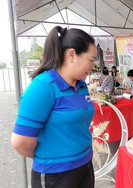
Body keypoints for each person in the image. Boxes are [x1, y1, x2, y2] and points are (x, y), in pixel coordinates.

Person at [11, 26, 97, 188]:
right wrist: (50, 155)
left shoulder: (81, 85)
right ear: (71, 55)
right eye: (91, 60)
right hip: (55, 174)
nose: (93, 66)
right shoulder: (43, 87)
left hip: (85, 164)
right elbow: (20, 142)